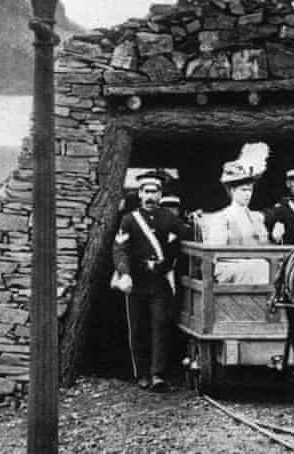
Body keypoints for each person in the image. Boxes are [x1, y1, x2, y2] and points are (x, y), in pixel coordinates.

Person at [112, 170, 191, 392]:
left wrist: (199, 222)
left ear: (160, 194)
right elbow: (120, 249)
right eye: (146, 191)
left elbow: (188, 233)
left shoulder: (168, 217)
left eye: (154, 192)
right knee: (137, 329)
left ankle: (158, 374)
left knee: (160, 327)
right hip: (136, 282)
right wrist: (124, 272)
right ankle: (141, 373)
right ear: (139, 193)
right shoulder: (129, 220)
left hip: (159, 283)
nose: (150, 196)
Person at [204, 150, 271, 247]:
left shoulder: (256, 217)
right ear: (232, 191)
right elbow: (216, 251)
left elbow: (265, 246)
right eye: (243, 190)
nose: (248, 194)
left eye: (250, 190)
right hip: (232, 261)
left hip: (258, 260)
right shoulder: (223, 218)